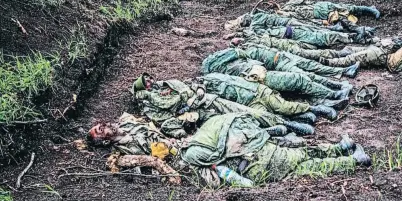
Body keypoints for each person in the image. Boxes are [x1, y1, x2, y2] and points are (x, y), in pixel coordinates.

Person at [181, 113, 371, 183]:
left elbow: (223, 175)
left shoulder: (194, 154)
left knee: (308, 166)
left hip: (256, 166)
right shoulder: (213, 123)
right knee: (304, 154)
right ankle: (343, 149)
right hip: (264, 148)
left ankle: (352, 159)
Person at [132, 73, 315, 136]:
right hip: (204, 117)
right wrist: (186, 110)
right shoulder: (152, 104)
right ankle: (283, 130)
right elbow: (169, 120)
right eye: (146, 82)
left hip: (211, 100)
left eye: (149, 78)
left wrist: (200, 90)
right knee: (242, 123)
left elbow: (194, 84)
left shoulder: (170, 83)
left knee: (249, 111)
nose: (150, 81)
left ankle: (291, 123)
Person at [199, 72, 339, 120]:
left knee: (284, 107)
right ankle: (301, 118)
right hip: (251, 103)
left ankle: (316, 109)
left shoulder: (212, 77)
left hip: (260, 91)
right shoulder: (209, 96)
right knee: (266, 118)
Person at [202, 47, 353, 89]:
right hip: (267, 69)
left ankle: (341, 73)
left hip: (280, 58)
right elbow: (236, 52)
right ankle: (335, 89)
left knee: (310, 66)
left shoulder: (238, 59)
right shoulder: (222, 66)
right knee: (302, 77)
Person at [319, 38, 402, 72]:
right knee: (349, 49)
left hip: (380, 55)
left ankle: (330, 62)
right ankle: (333, 55)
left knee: (352, 57)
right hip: (378, 49)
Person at [275, 0, 381, 21]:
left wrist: (284, 9)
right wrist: (282, 12)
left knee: (346, 8)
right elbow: (290, 15)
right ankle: (366, 11)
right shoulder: (293, 14)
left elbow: (301, 0)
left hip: (321, 7)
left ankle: (371, 10)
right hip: (321, 14)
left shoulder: (291, 3)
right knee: (343, 16)